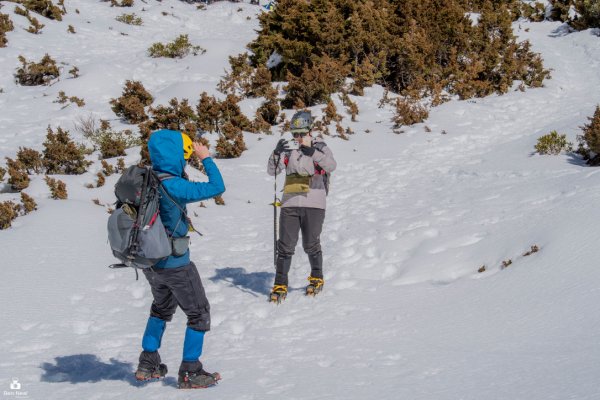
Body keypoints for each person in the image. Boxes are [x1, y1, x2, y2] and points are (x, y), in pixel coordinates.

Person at [135, 129, 225, 389]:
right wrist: (205, 158)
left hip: (151, 263)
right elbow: (217, 187)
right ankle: (190, 371)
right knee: (199, 313)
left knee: (161, 309)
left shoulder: (145, 179)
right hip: (176, 263)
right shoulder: (174, 184)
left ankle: (148, 363)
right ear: (177, 155)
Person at [267, 111, 337, 302]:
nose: (297, 137)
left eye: (301, 133)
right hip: (290, 202)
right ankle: (280, 283)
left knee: (310, 243)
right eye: (294, 133)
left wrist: (312, 153)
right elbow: (272, 170)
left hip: (314, 202)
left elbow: (331, 166)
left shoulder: (320, 146)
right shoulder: (289, 149)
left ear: (309, 130)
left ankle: (316, 277)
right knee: (285, 245)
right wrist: (276, 152)